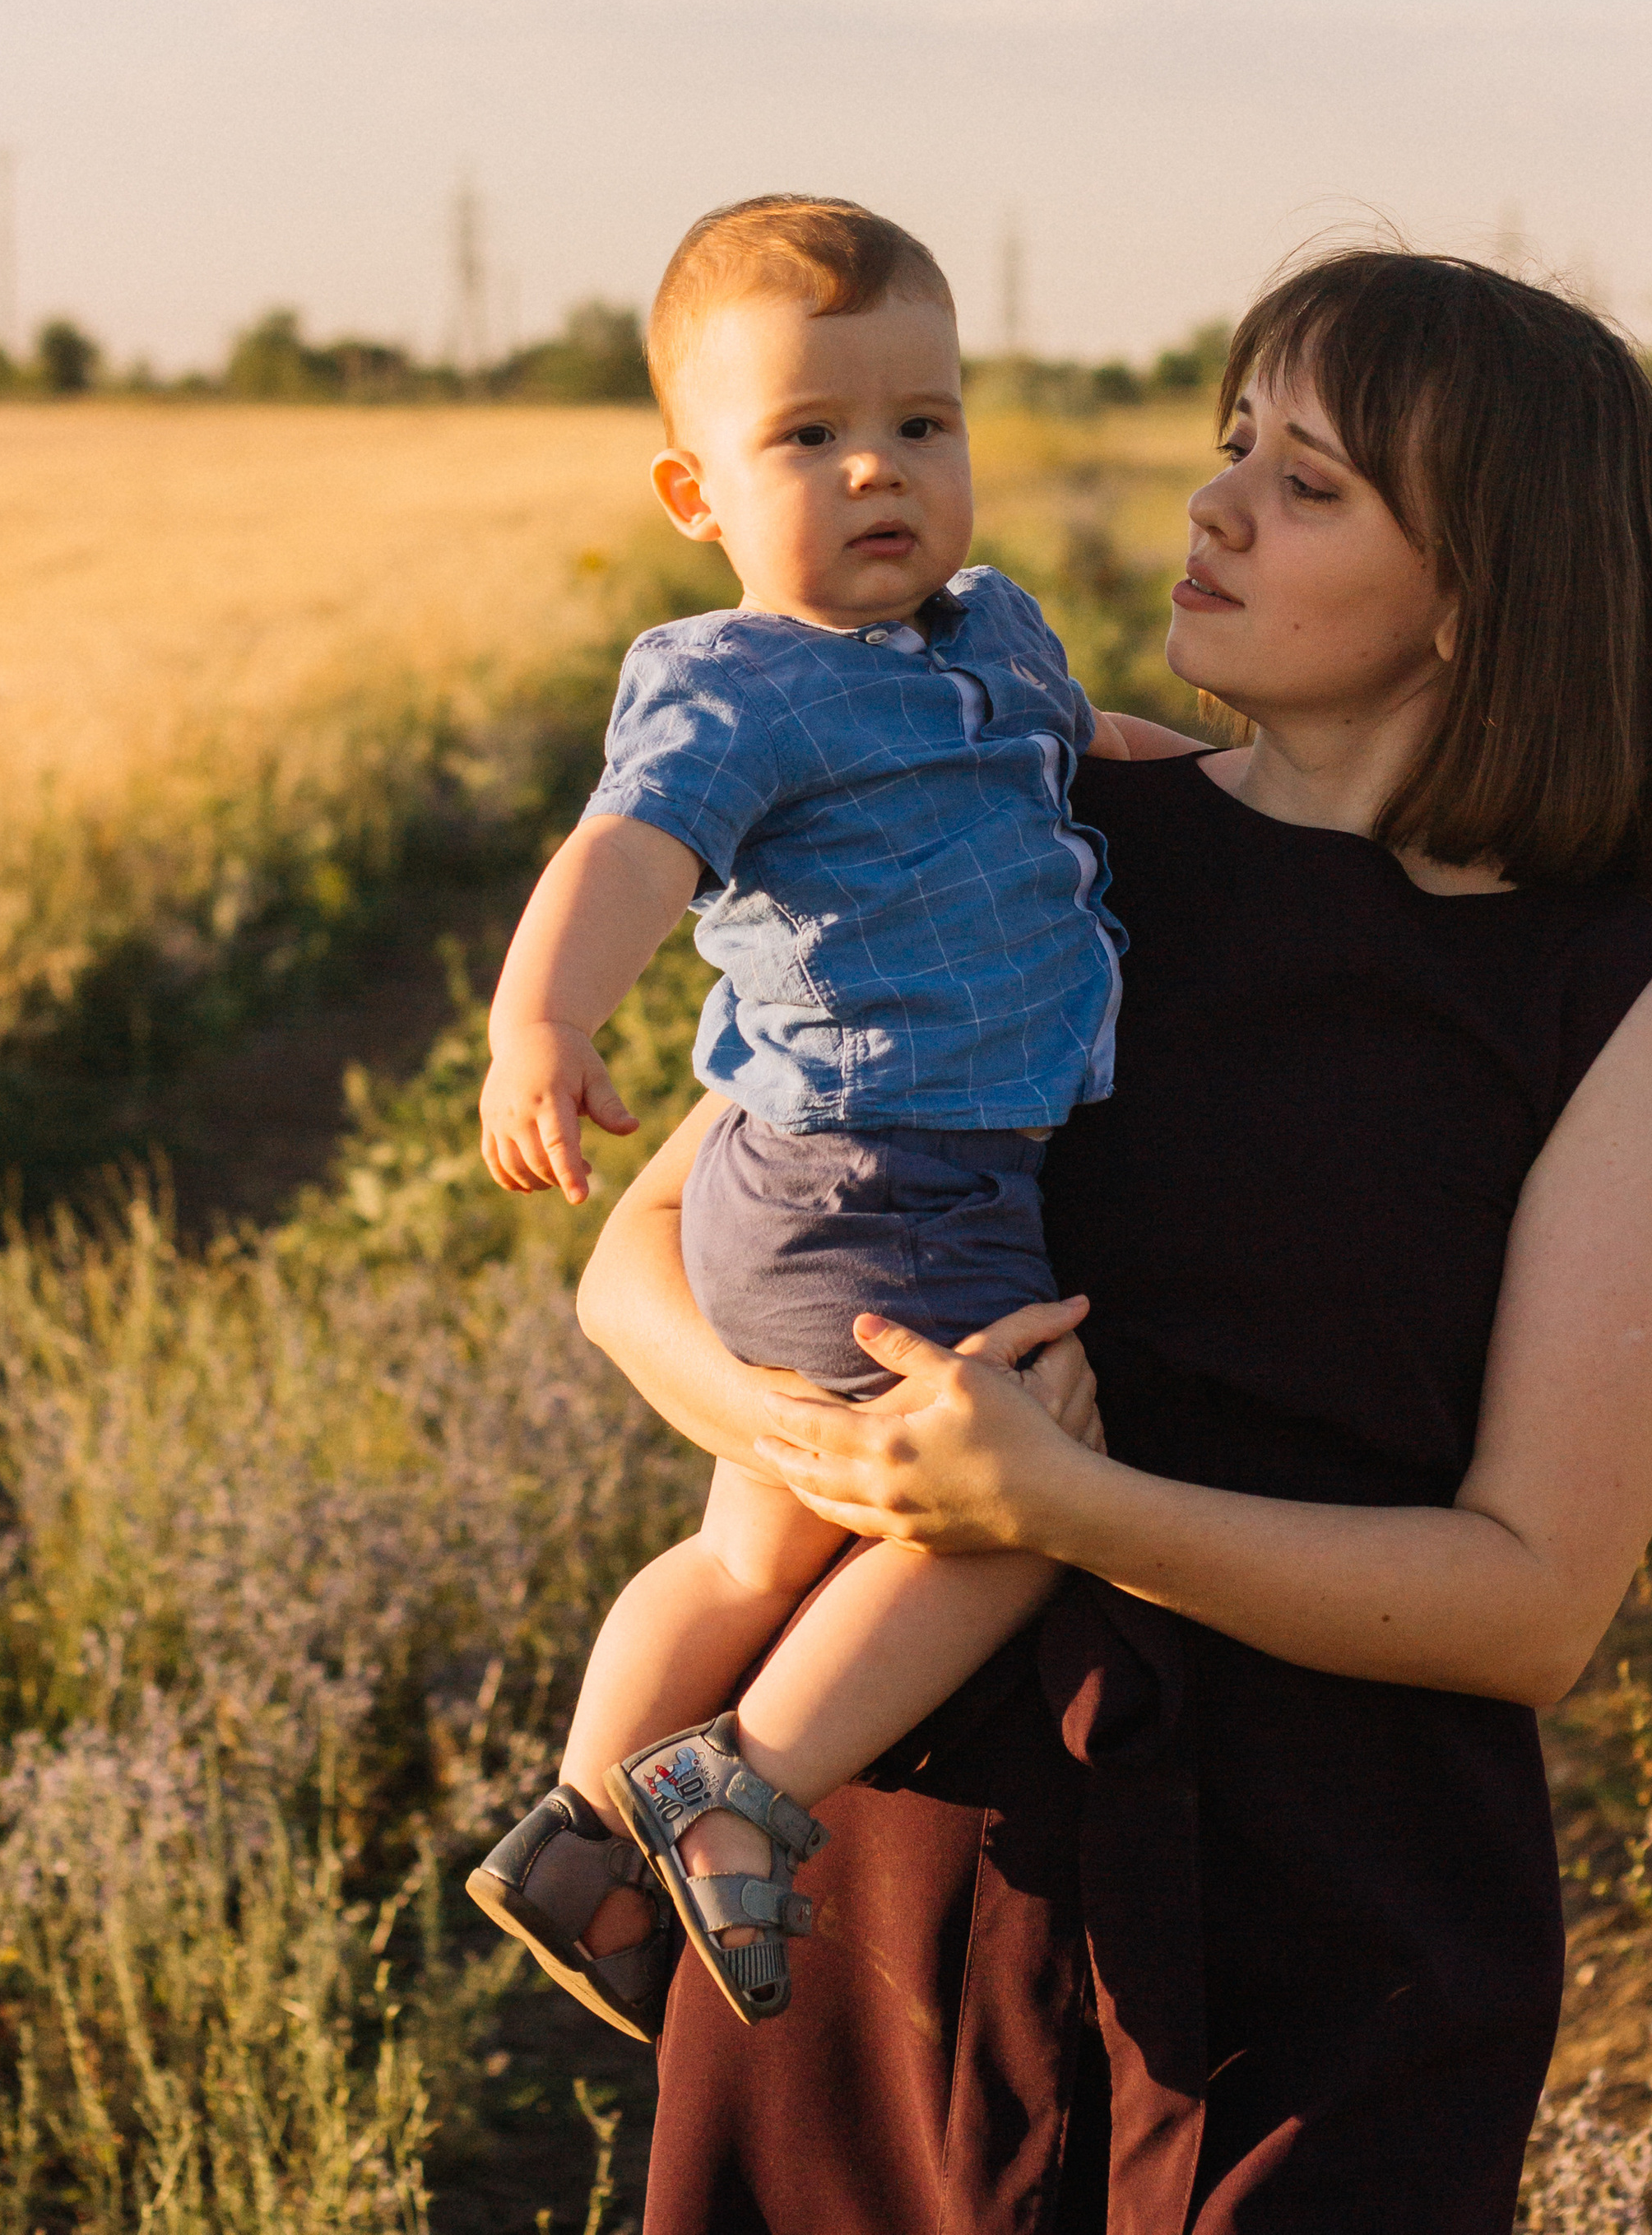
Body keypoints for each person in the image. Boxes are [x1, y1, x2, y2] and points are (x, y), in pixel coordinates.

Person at [575, 247, 1652, 2234]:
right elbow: (642, 1250)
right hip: (881, 1886)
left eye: (1307, 484)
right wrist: (825, 1450)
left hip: (1312, 1968)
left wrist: (1057, 1506)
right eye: (1233, 445)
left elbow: (1531, 1604)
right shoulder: (1042, 830)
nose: (1212, 508)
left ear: (1477, 587)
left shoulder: (1598, 1004)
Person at [466, 195, 1191, 2038]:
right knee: (1008, 1508)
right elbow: (623, 853)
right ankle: (745, 1779)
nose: (877, 467)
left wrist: (1247, 785)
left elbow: (1089, 750)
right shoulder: (743, 686)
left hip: (834, 1191)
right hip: (880, 1189)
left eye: (921, 425)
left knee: (755, 1547)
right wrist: (541, 1023)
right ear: (693, 494)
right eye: (805, 436)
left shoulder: (998, 635)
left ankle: (576, 1828)